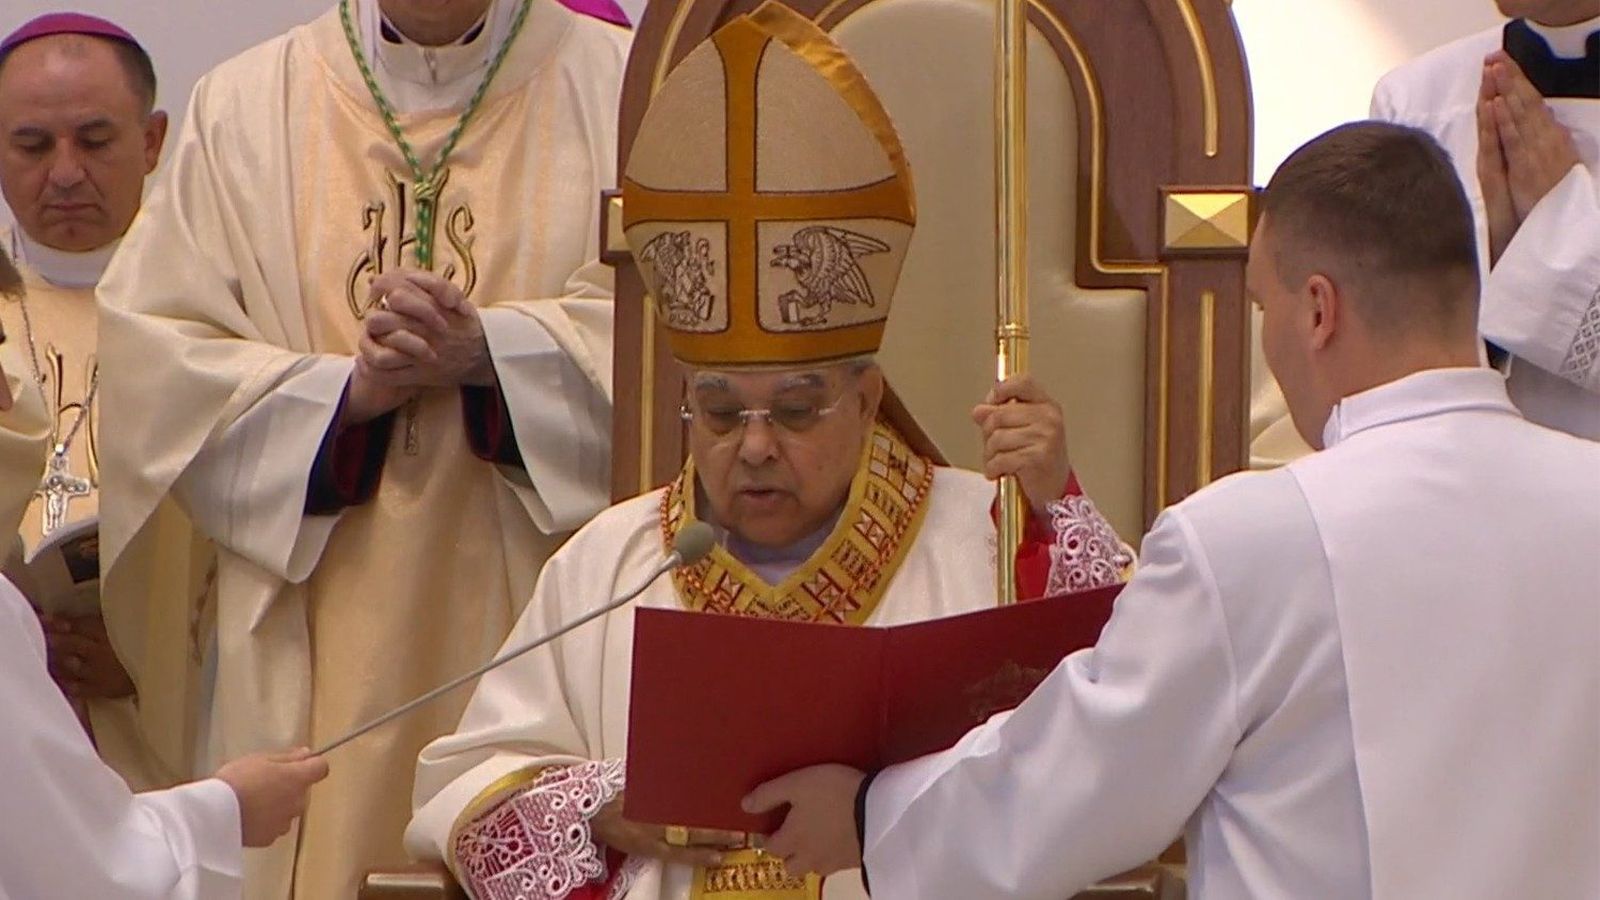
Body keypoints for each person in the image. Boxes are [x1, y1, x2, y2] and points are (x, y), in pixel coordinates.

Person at [747, 122, 1600, 899]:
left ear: (1317, 309)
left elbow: (1073, 784)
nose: (1264, 335)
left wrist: (866, 814)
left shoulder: (1258, 540)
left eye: (1262, 307)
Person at [403, 6, 1132, 899]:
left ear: (865, 401)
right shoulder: (612, 567)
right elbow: (462, 786)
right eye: (718, 411)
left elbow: (1118, 721)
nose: (753, 447)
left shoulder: (988, 537)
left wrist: (1057, 503)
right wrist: (604, 807)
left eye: (793, 410)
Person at [93, 0, 628, 897]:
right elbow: (156, 358)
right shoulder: (245, 108)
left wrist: (494, 353)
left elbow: (672, 344)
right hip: (310, 629)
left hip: (539, 608)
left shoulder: (617, 92)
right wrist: (348, 396)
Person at [0, 12, 201, 793]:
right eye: (31, 145)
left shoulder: (212, 309)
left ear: (151, 141)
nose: (65, 173)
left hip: (173, 736)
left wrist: (153, 656)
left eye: (94, 139)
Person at [1373, 0, 1598, 440]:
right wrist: (1495, 247)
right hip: (1466, 477)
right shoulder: (1416, 102)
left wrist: (1551, 225)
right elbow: (1389, 355)